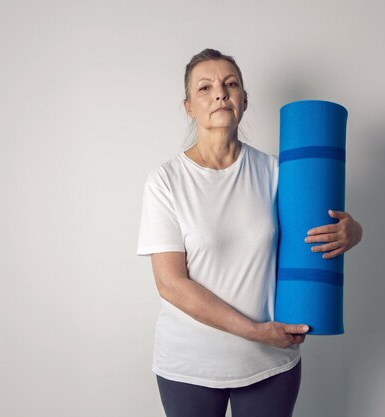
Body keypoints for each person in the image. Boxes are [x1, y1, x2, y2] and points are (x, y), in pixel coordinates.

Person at [137, 48, 363, 417]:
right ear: (188, 107)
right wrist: (254, 330)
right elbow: (171, 284)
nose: (220, 94)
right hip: (190, 366)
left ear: (243, 100)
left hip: (270, 363)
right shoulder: (166, 181)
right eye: (205, 88)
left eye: (230, 84)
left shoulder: (277, 172)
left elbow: (319, 231)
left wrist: (352, 231)